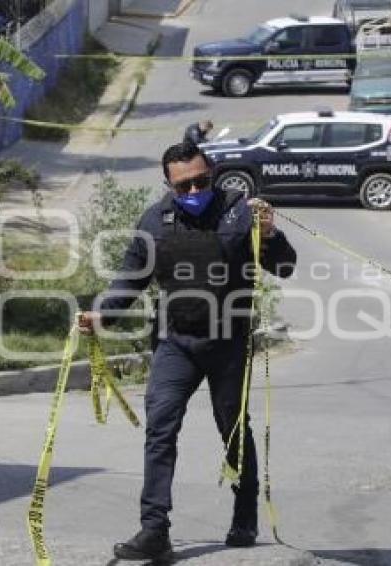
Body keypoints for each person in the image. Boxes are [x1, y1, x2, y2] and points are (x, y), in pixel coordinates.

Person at [79, 141, 296, 561]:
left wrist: (268, 233)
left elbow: (284, 265)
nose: (194, 190)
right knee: (160, 426)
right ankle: (154, 528)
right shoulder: (154, 223)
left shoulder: (240, 212)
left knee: (231, 426)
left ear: (211, 172)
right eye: (184, 186)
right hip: (176, 341)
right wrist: (100, 316)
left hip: (228, 342)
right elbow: (129, 281)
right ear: (169, 186)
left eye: (201, 180)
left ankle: (244, 511)